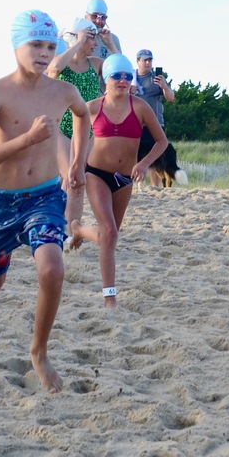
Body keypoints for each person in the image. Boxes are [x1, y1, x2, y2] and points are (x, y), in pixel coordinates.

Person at [0, 11, 89, 394]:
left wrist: (77, 162)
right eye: (35, 44)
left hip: (44, 197)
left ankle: (39, 352)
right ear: (17, 45)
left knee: (52, 270)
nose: (43, 52)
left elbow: (83, 116)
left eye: (50, 46)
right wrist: (28, 140)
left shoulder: (62, 92)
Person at [72, 54, 168, 307]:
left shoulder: (140, 107)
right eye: (117, 75)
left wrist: (144, 163)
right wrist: (76, 168)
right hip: (97, 173)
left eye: (128, 76)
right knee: (110, 232)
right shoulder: (92, 107)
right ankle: (109, 298)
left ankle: (79, 229)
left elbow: (162, 141)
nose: (123, 80)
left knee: (110, 236)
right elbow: (78, 141)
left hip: (125, 178)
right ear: (107, 79)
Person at [48, 18, 103, 231]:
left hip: (87, 132)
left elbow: (119, 67)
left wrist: (111, 45)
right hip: (61, 130)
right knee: (71, 180)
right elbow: (53, 69)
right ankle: (63, 230)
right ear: (79, 37)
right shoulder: (62, 62)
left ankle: (69, 232)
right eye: (92, 39)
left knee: (77, 183)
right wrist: (78, 44)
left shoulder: (96, 64)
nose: (95, 44)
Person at [131, 49, 180, 187]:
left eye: (150, 60)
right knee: (135, 153)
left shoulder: (156, 78)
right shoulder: (130, 77)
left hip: (155, 122)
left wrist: (164, 86)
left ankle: (154, 187)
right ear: (138, 61)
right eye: (145, 60)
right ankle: (138, 184)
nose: (148, 63)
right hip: (135, 123)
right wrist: (129, 91)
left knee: (155, 154)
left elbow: (170, 98)